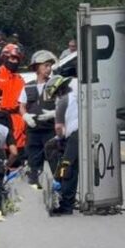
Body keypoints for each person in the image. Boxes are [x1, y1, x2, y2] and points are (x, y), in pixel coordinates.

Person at [23, 51, 59, 187]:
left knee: (55, 161)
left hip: (49, 130)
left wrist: (54, 113)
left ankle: (59, 191)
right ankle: (35, 191)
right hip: (33, 131)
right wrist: (25, 116)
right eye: (46, 66)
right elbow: (22, 105)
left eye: (50, 66)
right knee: (34, 163)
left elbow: (62, 104)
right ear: (37, 67)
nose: (49, 69)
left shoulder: (54, 85)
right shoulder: (28, 86)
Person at [47, 75, 78, 215]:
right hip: (80, 134)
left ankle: (66, 205)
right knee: (69, 166)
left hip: (74, 136)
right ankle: (59, 182)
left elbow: (59, 127)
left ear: (58, 91)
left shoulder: (63, 101)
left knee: (66, 168)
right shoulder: (75, 96)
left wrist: (59, 139)